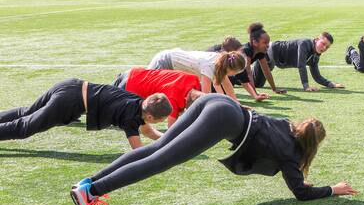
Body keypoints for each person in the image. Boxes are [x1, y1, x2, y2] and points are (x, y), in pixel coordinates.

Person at [69, 93, 358, 205]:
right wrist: (333, 189)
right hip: (222, 118)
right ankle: (91, 191)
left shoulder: (285, 123)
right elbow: (301, 192)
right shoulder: (291, 155)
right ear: (312, 146)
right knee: (161, 160)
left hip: (216, 101)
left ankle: (88, 183)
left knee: (154, 150)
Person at [0, 78, 171, 149]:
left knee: (28, 112)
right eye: (161, 120)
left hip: (70, 85)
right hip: (69, 101)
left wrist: (171, 139)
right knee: (25, 127)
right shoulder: (131, 117)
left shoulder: (136, 102)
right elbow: (138, 150)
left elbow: (148, 131)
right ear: (149, 117)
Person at [112, 67, 203, 136]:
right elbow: (172, 131)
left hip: (132, 72)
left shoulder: (194, 79)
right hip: (130, 87)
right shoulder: (173, 101)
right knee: (109, 113)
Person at [147, 48, 250, 101]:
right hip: (164, 61)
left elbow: (227, 86)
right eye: (236, 73)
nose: (235, 75)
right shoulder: (210, 66)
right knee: (146, 91)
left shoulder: (221, 63)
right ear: (230, 69)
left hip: (172, 63)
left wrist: (236, 104)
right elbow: (205, 95)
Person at [210, 23, 283, 96]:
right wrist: (255, 94)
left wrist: (274, 88)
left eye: (268, 42)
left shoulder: (260, 52)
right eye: (265, 43)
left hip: (235, 72)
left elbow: (266, 70)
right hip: (215, 60)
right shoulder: (246, 52)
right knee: (228, 81)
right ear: (255, 42)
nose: (268, 45)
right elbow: (248, 73)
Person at [255, 32, 342, 92]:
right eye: (323, 43)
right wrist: (306, 86)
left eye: (327, 47)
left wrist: (331, 84)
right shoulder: (304, 43)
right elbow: (301, 64)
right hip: (268, 52)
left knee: (257, 84)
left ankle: (241, 78)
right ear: (316, 40)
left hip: (274, 61)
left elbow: (317, 76)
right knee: (249, 76)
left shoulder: (315, 56)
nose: (324, 48)